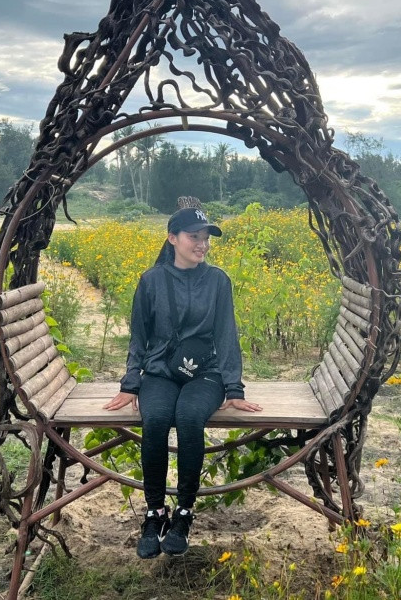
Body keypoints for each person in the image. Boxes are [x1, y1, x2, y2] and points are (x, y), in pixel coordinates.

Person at [104, 205, 262, 559]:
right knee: (156, 420)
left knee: (190, 418)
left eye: (206, 238)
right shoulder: (151, 281)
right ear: (172, 239)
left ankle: (184, 513)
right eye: (194, 237)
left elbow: (226, 335)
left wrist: (234, 388)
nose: (202, 244)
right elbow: (139, 336)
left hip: (205, 373)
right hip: (160, 371)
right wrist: (130, 384)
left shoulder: (218, 281)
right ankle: (155, 512)